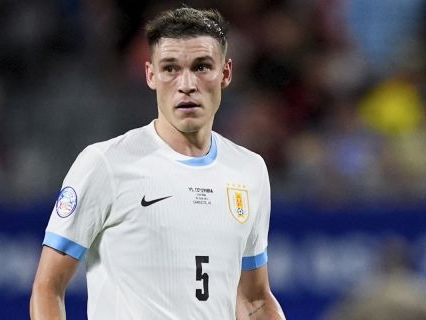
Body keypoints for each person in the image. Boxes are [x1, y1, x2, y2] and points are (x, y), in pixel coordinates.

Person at [30, 7, 286, 320]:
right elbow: (48, 286)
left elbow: (254, 299)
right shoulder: (105, 164)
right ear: (151, 74)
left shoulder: (250, 170)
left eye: (202, 66)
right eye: (171, 69)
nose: (187, 84)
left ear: (226, 73)